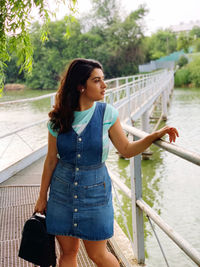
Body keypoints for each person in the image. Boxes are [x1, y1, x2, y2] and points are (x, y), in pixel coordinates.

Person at [34, 58, 179, 267]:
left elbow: (126, 150)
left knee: (98, 255)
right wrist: (41, 197)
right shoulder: (58, 118)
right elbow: (50, 161)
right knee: (68, 253)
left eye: (104, 80)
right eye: (97, 81)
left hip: (96, 195)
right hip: (61, 193)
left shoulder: (107, 114)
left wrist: (153, 135)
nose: (104, 86)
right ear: (81, 86)